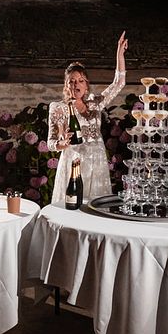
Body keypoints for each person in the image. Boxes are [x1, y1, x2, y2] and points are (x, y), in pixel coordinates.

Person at [47, 32, 128, 205]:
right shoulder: (58, 108)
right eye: (72, 81)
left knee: (96, 208)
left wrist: (119, 54)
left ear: (86, 85)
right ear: (66, 85)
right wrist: (62, 143)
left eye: (80, 81)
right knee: (73, 206)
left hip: (97, 162)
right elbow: (51, 143)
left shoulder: (94, 103)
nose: (76, 84)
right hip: (74, 162)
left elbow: (118, 84)